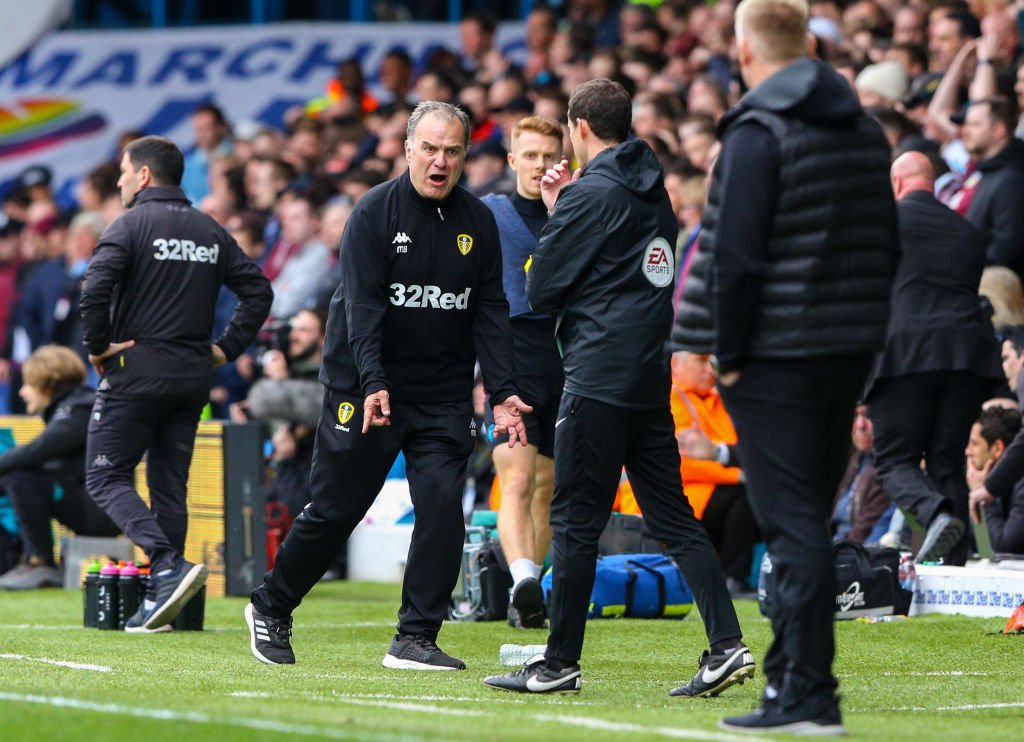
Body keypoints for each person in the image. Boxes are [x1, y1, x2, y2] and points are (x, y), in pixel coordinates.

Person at [483, 78, 754, 699]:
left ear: (578, 128)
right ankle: (727, 645)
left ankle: (557, 664)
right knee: (674, 518)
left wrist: (557, 214)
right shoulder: (655, 195)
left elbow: (543, 289)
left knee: (576, 521)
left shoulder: (587, 195)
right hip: (645, 379)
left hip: (597, 376)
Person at [674, 0, 899, 733]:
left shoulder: (755, 131)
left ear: (743, 50)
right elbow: (888, 245)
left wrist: (727, 356)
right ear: (807, 43)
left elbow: (733, 258)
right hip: (848, 349)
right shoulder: (865, 131)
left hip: (774, 354)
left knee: (792, 521)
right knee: (804, 516)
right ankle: (790, 684)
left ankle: (809, 695)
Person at [244, 101, 530, 671]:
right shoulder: (373, 213)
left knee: (445, 507)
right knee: (334, 509)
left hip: (442, 394)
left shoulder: (478, 223)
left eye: (452, 150)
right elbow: (365, 310)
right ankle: (272, 606)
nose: (440, 161)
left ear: (466, 155)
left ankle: (415, 638)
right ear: (407, 150)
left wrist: (503, 390)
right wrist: (374, 382)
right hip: (365, 388)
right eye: (429, 148)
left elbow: (491, 312)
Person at [80, 135, 273, 632]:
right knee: (170, 486)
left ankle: (167, 565)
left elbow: (94, 288)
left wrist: (98, 347)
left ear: (143, 175)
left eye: (124, 170)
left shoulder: (129, 225)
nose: (120, 179)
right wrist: (224, 349)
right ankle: (166, 605)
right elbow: (258, 290)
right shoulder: (210, 230)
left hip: (136, 373)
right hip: (191, 379)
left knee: (105, 476)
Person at [867, 152, 1002, 567]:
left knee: (893, 460)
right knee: (946, 458)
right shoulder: (966, 230)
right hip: (967, 355)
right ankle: (953, 565)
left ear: (896, 182)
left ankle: (937, 515)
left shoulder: (884, 223)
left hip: (905, 354)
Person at [480, 116, 565, 629]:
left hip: (565, 356)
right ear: (512, 161)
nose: (538, 166)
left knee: (547, 485)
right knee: (515, 478)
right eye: (528, 156)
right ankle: (524, 580)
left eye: (547, 156)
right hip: (510, 354)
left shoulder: (575, 209)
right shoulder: (488, 215)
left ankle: (525, 590)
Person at [0, 346, 120, 590]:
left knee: (18, 477)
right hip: (91, 504)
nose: (22, 392)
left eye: (28, 384)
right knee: (15, 477)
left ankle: (40, 561)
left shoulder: (81, 409)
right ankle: (24, 558)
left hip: (101, 513)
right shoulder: (73, 406)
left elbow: (38, 451)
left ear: (47, 383)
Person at [966, 406, 1024, 554]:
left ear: (997, 448)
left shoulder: (1021, 485)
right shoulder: (974, 478)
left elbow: (1005, 548)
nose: (968, 451)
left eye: (974, 444)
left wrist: (985, 499)